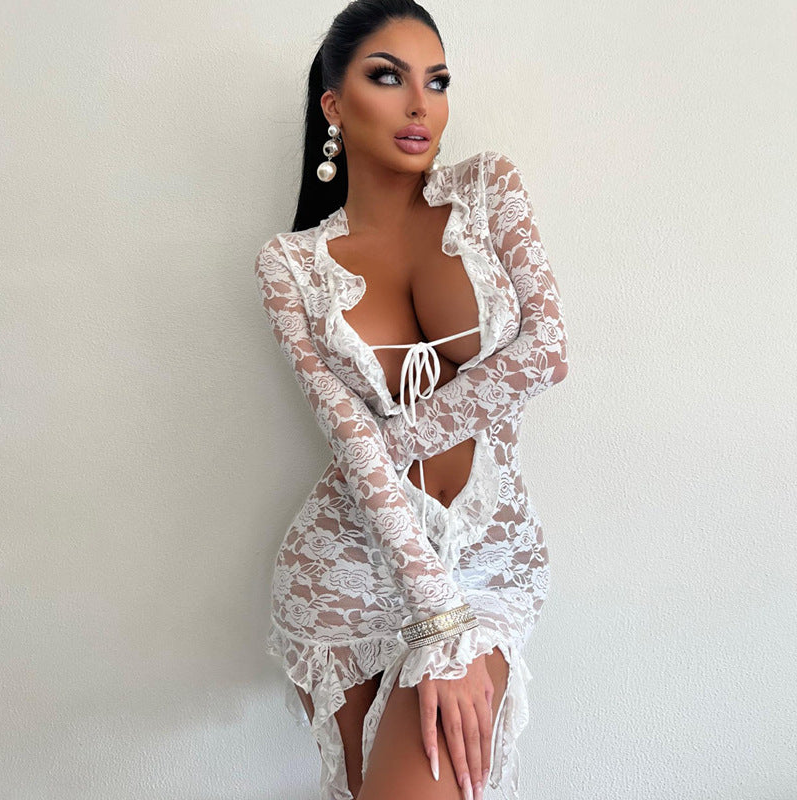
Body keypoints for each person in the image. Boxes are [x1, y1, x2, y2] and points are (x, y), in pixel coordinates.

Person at [253, 1, 569, 798]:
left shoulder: (487, 190)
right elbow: (342, 428)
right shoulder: (290, 263)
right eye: (388, 77)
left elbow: (547, 352)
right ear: (334, 104)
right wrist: (431, 615)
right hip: (347, 571)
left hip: (486, 562)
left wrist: (386, 443)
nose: (420, 104)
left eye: (438, 81)